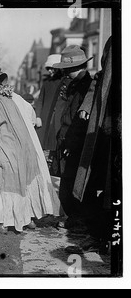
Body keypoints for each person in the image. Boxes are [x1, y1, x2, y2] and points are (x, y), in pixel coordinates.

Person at [0, 66, 61, 233]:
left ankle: (4, 222)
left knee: (4, 186)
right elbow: (31, 117)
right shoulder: (12, 98)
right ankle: (27, 219)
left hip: (6, 152)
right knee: (22, 185)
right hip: (26, 149)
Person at [67, 36, 117, 253]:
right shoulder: (113, 41)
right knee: (101, 183)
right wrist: (88, 104)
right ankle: (99, 236)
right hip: (105, 125)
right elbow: (101, 78)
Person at [52, 45, 94, 229]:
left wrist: (71, 142)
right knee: (67, 180)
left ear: (75, 67)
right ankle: (73, 218)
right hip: (67, 138)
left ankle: (77, 219)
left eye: (67, 69)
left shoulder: (85, 87)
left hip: (75, 141)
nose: (65, 73)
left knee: (71, 181)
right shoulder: (74, 85)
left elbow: (79, 120)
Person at [34, 54, 65, 170]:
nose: (50, 71)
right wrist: (38, 116)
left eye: (53, 68)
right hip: (45, 118)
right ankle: (44, 167)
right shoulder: (47, 83)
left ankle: (53, 167)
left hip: (58, 118)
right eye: (49, 68)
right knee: (43, 144)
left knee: (55, 144)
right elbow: (40, 100)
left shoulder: (65, 81)